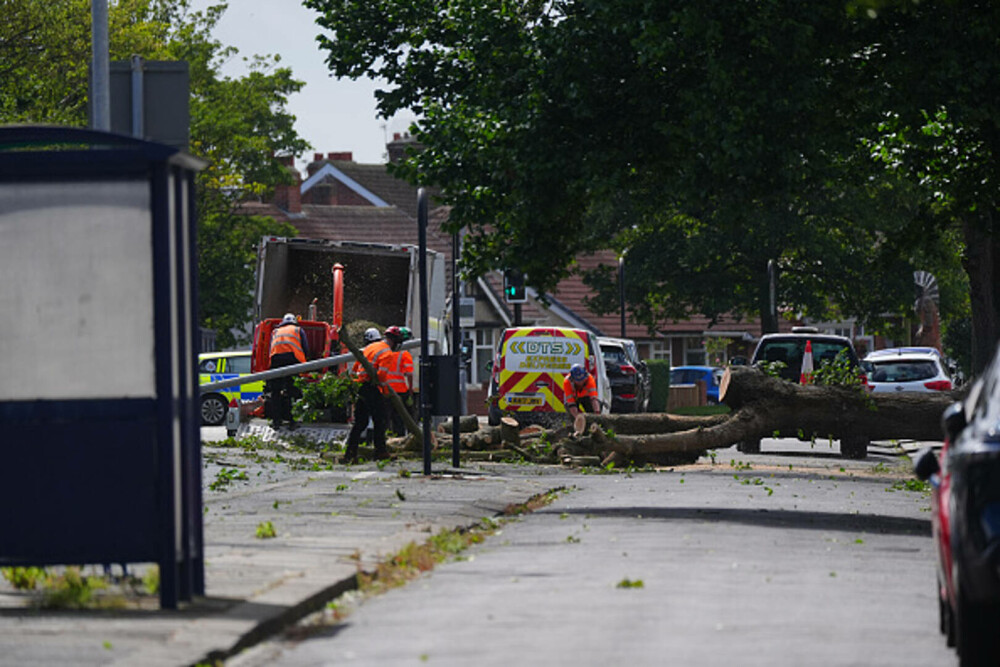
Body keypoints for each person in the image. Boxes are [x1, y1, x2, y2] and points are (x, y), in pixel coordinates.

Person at [344, 327, 392, 463]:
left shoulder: (366, 350)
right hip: (372, 387)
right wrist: (385, 392)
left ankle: (350, 453)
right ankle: (380, 451)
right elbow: (381, 376)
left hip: (362, 387)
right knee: (380, 420)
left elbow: (354, 370)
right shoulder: (385, 350)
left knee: (360, 422)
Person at [268, 313, 309, 429]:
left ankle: (276, 422)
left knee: (275, 392)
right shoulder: (298, 330)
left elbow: (271, 347)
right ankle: (292, 421)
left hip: (276, 360)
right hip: (292, 359)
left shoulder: (275, 331)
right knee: (293, 391)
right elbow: (305, 347)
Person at [383, 326, 414, 435]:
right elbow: (409, 373)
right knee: (402, 417)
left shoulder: (385, 352)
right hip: (400, 390)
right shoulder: (405, 354)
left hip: (385, 389)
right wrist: (410, 389)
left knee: (385, 418)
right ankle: (401, 437)